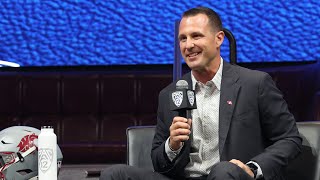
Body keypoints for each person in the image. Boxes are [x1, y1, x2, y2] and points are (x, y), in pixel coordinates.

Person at [100, 6, 302, 180]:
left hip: (229, 176)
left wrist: (252, 168)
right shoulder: (170, 93)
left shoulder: (254, 83)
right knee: (115, 174)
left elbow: (289, 139)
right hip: (184, 176)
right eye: (183, 38)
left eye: (196, 36)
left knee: (223, 171)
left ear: (219, 39)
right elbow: (159, 164)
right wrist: (172, 145)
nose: (188, 45)